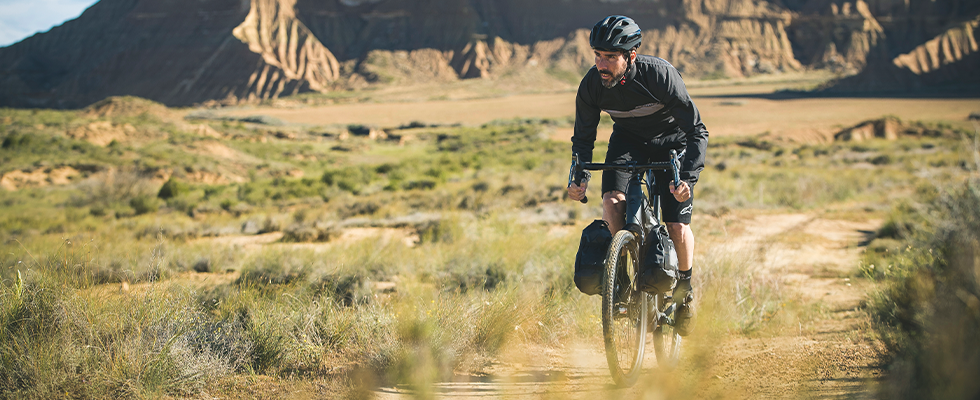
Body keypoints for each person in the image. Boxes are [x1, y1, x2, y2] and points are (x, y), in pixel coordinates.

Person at [567, 15, 708, 336]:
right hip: (628, 141)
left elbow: (697, 130)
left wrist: (688, 179)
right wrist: (578, 176)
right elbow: (583, 137)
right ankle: (625, 276)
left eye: (610, 57)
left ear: (631, 55)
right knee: (612, 201)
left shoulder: (659, 76)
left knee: (676, 223)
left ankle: (684, 293)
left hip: (673, 142)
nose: (601, 64)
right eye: (597, 55)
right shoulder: (592, 84)